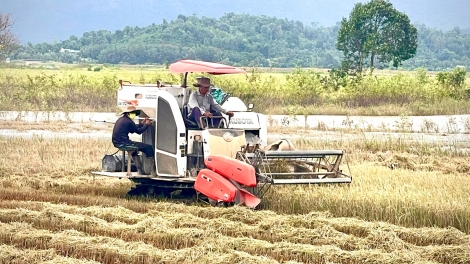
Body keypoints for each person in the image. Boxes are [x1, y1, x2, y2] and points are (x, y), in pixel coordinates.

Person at [112, 105, 154, 175]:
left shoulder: (122, 119)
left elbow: (133, 128)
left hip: (117, 142)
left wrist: (142, 124)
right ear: (128, 113)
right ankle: (153, 171)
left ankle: (140, 170)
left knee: (134, 150)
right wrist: (147, 124)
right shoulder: (128, 121)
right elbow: (138, 131)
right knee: (148, 148)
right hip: (125, 143)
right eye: (133, 113)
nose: (134, 115)